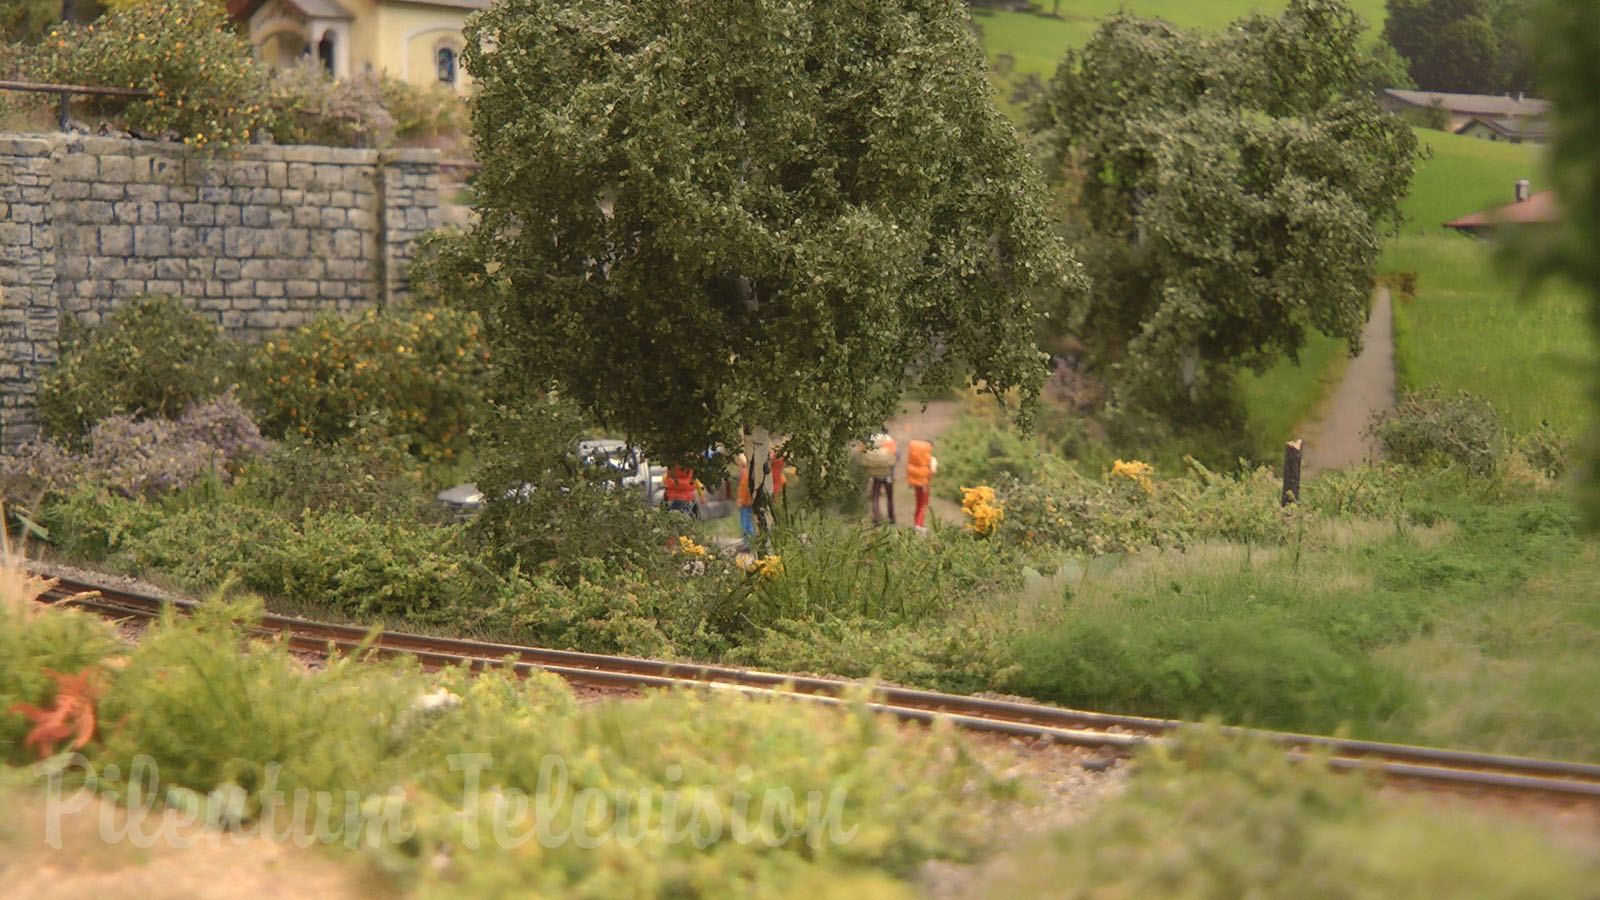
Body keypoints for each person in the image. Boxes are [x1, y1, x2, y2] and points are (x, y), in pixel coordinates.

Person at [860, 431, 897, 524]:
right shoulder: (889, 447)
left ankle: (876, 517)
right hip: (888, 476)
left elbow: (865, 462)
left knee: (875, 497)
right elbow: (894, 460)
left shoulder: (871, 448)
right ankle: (891, 517)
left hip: (875, 476)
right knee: (890, 497)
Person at [906, 438, 937, 531]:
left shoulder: (916, 458)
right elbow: (933, 471)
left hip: (916, 482)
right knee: (923, 504)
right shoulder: (931, 459)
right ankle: (919, 524)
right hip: (925, 483)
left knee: (918, 503)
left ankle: (916, 522)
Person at [735, 453, 756, 542]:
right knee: (749, 523)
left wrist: (741, 500)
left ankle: (748, 544)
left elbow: (744, 488)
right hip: (749, 501)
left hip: (745, 502)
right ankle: (749, 543)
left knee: (746, 524)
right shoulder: (749, 472)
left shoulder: (744, 473)